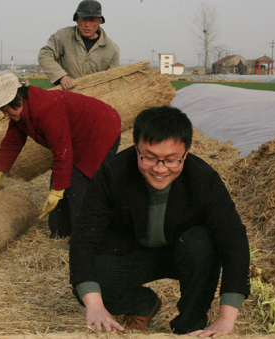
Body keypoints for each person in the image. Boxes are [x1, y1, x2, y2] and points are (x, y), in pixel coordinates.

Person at [69, 106, 251, 337]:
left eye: (172, 160)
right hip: (130, 254)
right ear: (135, 146)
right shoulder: (112, 173)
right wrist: (94, 305)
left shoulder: (203, 178)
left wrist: (226, 319)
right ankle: (142, 304)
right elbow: (84, 236)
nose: (160, 169)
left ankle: (190, 324)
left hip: (185, 253)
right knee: (87, 284)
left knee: (201, 243)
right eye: (149, 158)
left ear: (186, 152)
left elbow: (234, 241)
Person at [0, 73, 121, 239]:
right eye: (2, 111)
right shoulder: (21, 114)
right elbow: (10, 145)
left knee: (78, 183)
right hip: (78, 136)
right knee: (60, 182)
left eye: (7, 109)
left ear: (18, 98)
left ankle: (84, 238)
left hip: (101, 130)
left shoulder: (46, 108)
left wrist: (57, 192)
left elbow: (62, 151)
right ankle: (60, 232)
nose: (6, 115)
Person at [38, 0, 120, 90]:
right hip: (64, 95)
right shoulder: (63, 36)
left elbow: (112, 80)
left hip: (93, 99)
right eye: (84, 19)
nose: (87, 24)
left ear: (99, 21)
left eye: (92, 20)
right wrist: (61, 76)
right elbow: (44, 55)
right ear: (77, 19)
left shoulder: (112, 49)